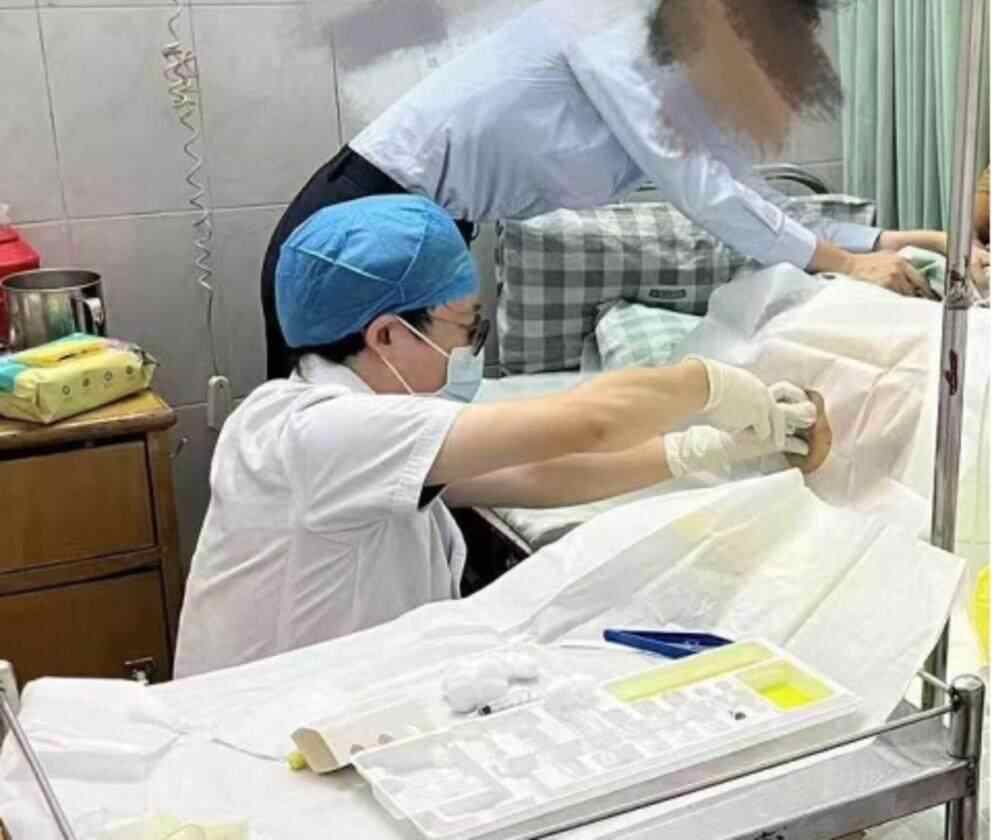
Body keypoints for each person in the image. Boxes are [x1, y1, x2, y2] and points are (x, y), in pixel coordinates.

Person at [260, 0, 944, 380]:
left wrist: (887, 242)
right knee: (333, 444)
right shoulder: (612, 26)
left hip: (421, 228)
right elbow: (700, 190)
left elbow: (743, 190)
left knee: (396, 447)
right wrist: (842, 263)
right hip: (357, 224)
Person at [176, 196, 815, 677]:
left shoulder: (341, 424)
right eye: (466, 328)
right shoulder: (322, 431)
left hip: (324, 698)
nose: (472, 349)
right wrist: (711, 383)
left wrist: (703, 450)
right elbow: (589, 421)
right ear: (388, 335)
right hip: (272, 720)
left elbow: (536, 473)